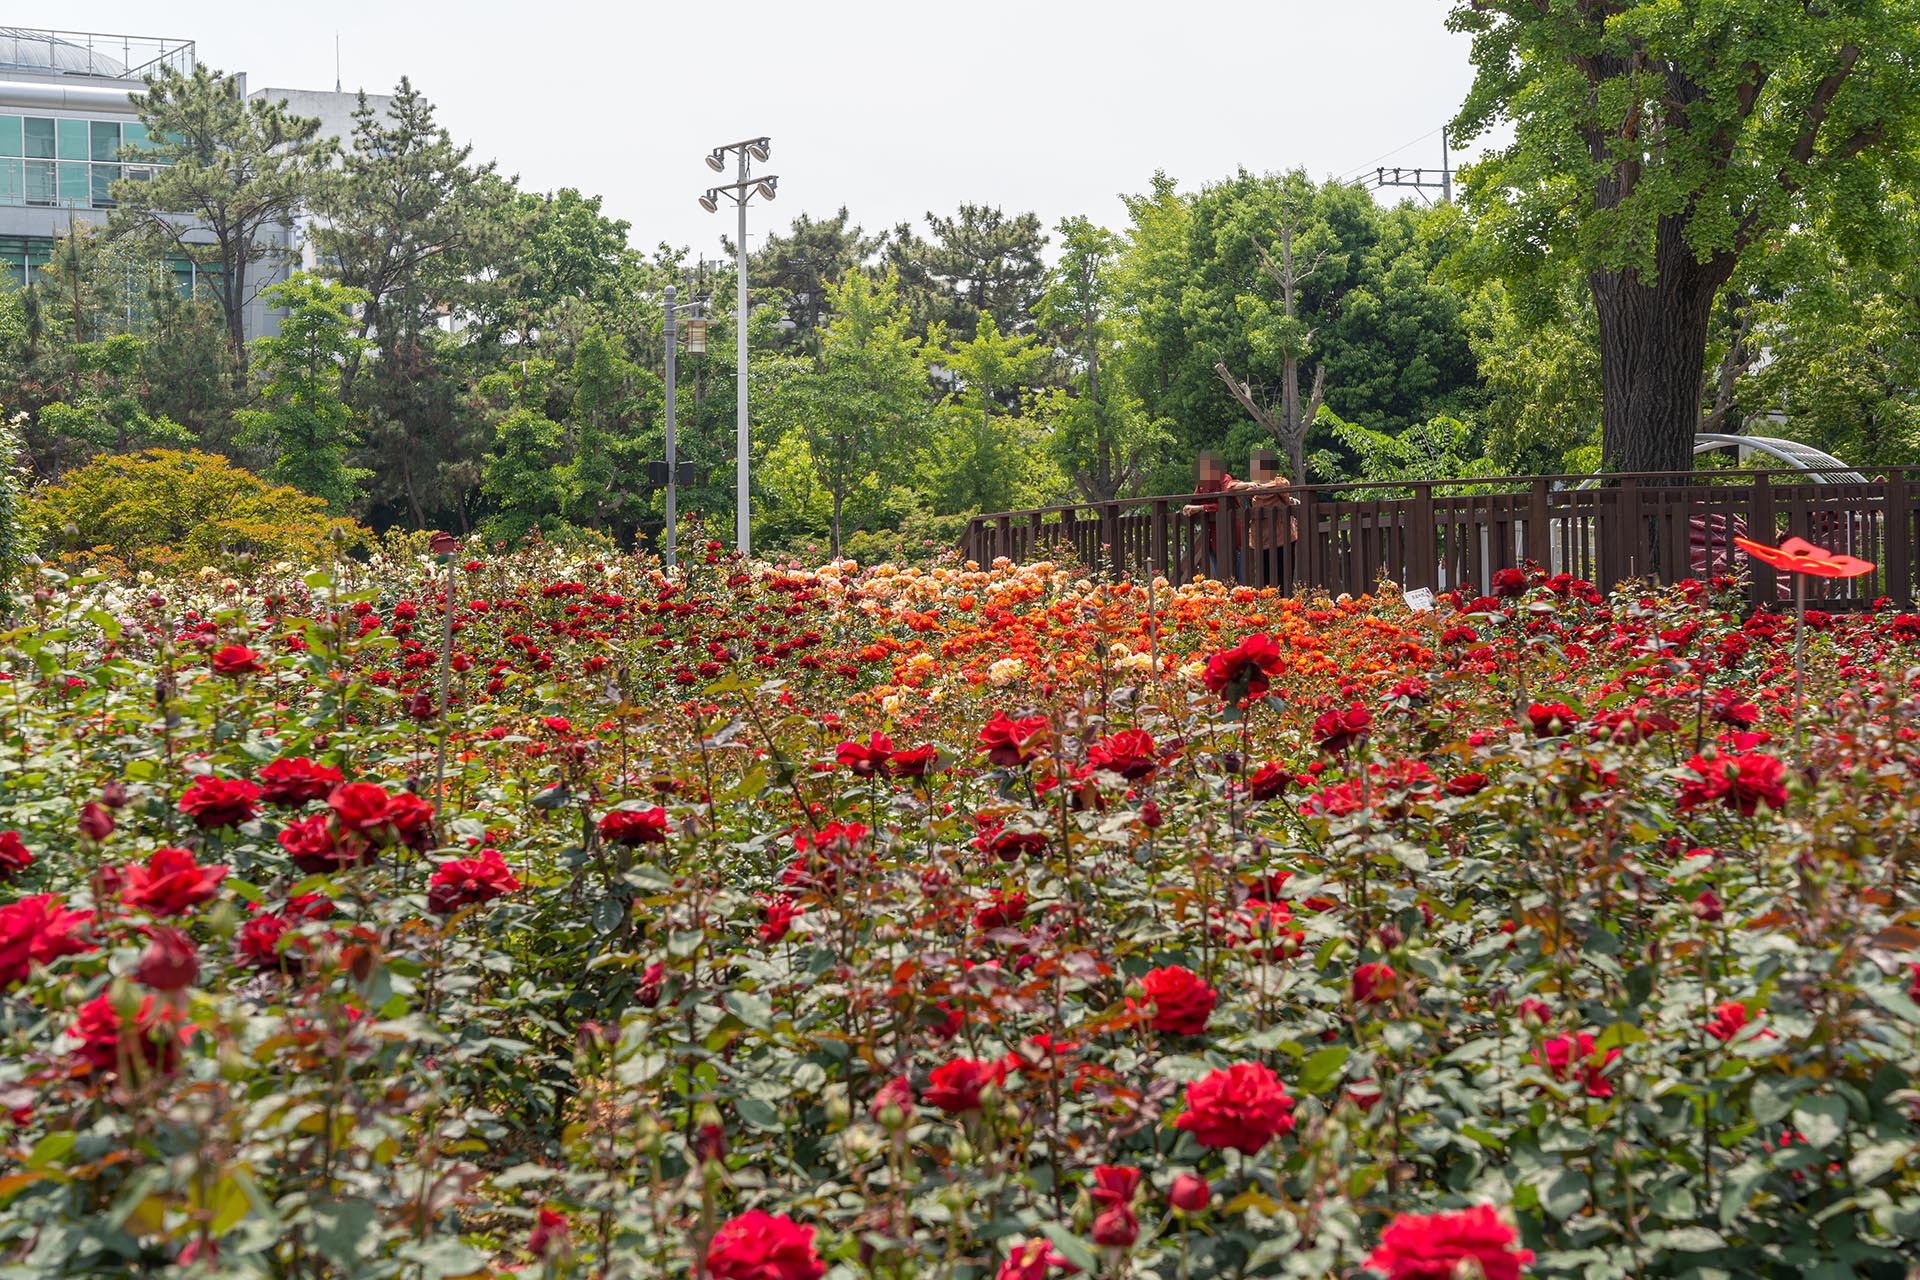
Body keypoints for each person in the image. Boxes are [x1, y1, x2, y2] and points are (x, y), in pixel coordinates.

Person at [1228, 449, 1297, 588]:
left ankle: (1284, 600)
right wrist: (1248, 485)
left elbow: (1283, 485)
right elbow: (1230, 486)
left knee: (1284, 576)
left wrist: (1261, 487)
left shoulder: (1278, 482)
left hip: (1282, 537)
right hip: (1262, 540)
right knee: (1265, 578)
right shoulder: (1253, 489)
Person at [1181, 451, 1238, 580]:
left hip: (1231, 536)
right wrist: (1189, 508)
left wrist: (1201, 508)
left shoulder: (1225, 479)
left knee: (1236, 577)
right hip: (1212, 538)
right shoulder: (1202, 484)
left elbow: (1226, 505)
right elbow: (1195, 502)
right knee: (1220, 578)